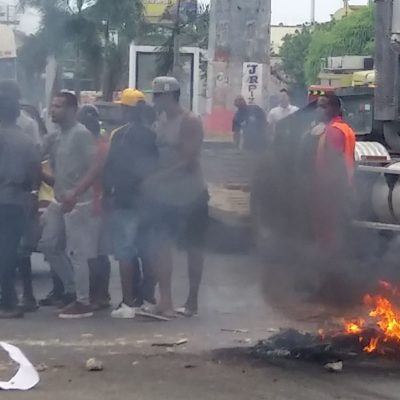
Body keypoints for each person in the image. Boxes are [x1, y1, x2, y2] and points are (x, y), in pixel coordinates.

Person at [148, 76, 209, 317]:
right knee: (160, 243)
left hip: (191, 194)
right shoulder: (160, 121)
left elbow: (189, 159)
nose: (155, 101)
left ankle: (192, 301)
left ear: (170, 96)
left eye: (158, 96)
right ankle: (166, 301)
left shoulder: (190, 121)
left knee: (194, 248)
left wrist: (157, 178)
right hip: (165, 196)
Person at [41, 92, 102, 318]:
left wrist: (76, 193)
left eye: (58, 106)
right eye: (52, 105)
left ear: (71, 109)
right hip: (59, 199)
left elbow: (95, 167)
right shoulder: (56, 136)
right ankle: (71, 289)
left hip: (78, 202)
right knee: (48, 244)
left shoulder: (80, 134)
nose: (53, 110)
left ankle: (83, 302)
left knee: (77, 253)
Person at [103, 90, 159, 318]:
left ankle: (128, 303)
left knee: (125, 252)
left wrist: (107, 194)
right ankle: (148, 298)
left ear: (126, 110)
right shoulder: (153, 135)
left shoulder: (119, 135)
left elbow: (110, 167)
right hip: (149, 201)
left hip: (125, 200)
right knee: (148, 251)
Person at [0, 80, 42, 312]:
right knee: (10, 250)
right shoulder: (26, 140)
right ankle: (10, 299)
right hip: (16, 201)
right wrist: (33, 194)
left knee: (4, 253)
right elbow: (34, 172)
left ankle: (7, 300)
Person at [77, 104, 111, 309]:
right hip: (98, 202)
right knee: (98, 252)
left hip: (95, 202)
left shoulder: (97, 146)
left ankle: (98, 295)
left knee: (94, 253)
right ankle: (99, 294)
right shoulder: (102, 143)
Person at [314, 94, 356, 250]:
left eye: (324, 106)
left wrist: (325, 188)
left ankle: (329, 265)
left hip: (332, 190)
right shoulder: (346, 129)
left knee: (328, 232)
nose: (320, 111)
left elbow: (334, 161)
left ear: (335, 109)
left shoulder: (333, 131)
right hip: (344, 186)